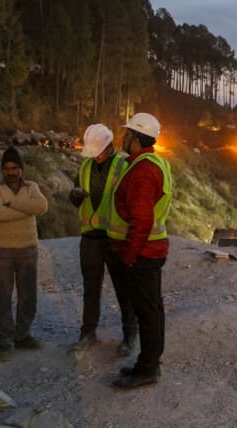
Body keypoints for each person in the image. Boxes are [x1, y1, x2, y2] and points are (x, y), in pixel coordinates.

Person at [108, 113, 173, 389]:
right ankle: (148, 363)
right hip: (151, 250)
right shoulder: (150, 163)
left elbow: (142, 219)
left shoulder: (143, 170)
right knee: (152, 309)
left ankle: (147, 369)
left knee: (146, 311)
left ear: (137, 137)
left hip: (143, 253)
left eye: (127, 133)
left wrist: (130, 256)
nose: (122, 138)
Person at [69, 123, 136, 355]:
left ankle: (129, 335)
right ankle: (88, 332)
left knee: (123, 289)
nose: (95, 156)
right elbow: (76, 195)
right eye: (92, 151)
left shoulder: (124, 165)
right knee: (91, 288)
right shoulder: (86, 165)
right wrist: (74, 195)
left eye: (99, 150)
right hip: (90, 237)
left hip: (115, 237)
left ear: (109, 146)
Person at [0, 146, 48, 361]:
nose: (10, 172)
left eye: (14, 168)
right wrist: (25, 209)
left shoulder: (32, 186)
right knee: (2, 296)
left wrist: (12, 202)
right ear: (2, 170)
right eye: (6, 168)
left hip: (27, 248)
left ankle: (22, 336)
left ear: (21, 169)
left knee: (27, 295)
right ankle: (5, 342)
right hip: (3, 249)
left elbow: (41, 206)